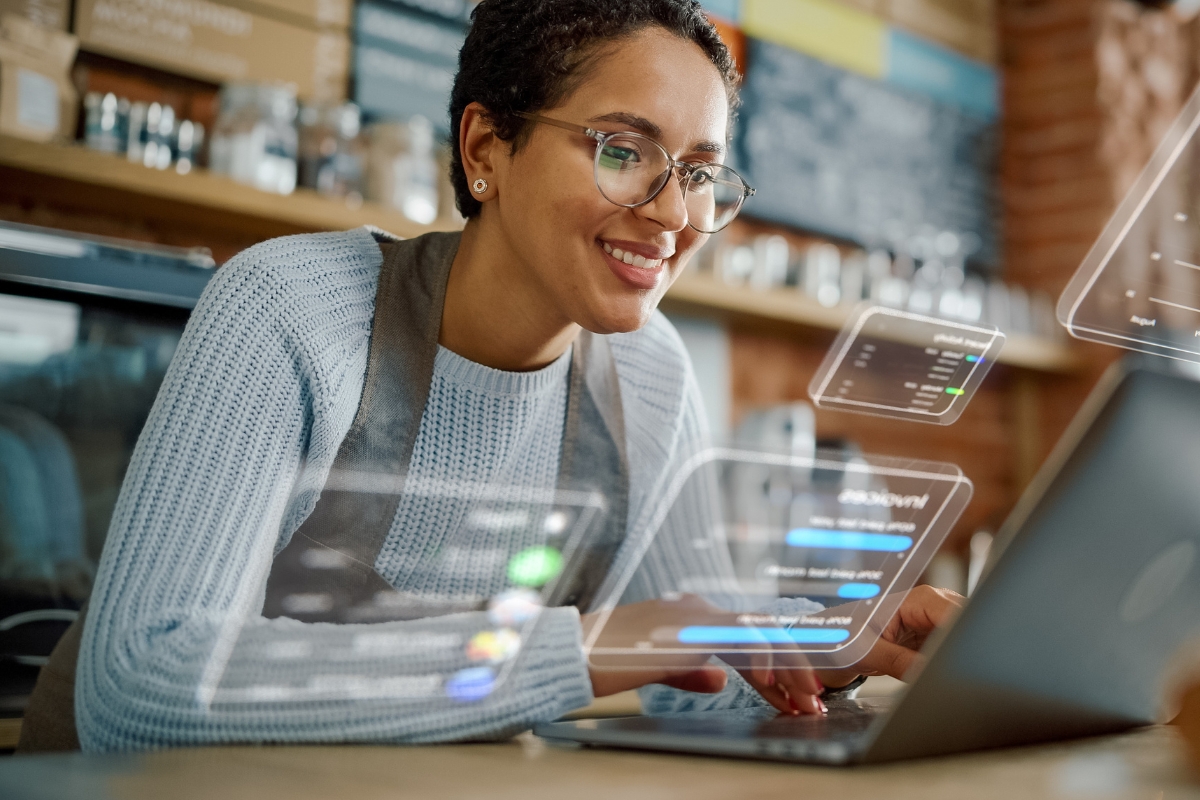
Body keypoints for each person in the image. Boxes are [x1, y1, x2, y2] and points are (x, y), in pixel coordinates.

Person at [33, 0, 962, 752]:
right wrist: (584, 649)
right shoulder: (290, 311)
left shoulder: (651, 375)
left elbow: (694, 672)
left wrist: (820, 642)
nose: (673, 213)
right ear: (486, 151)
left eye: (700, 171)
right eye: (621, 151)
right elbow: (139, 688)